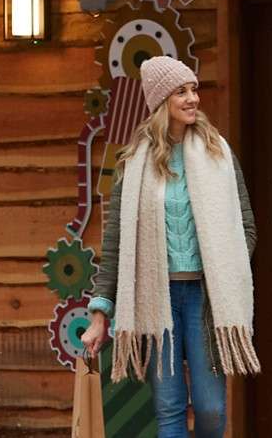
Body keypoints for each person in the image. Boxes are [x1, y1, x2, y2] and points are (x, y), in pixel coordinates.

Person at [80, 56, 259, 438]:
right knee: (169, 408)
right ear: (162, 102)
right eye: (182, 91)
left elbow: (246, 224)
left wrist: (230, 269)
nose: (193, 98)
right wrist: (99, 315)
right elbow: (116, 246)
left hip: (204, 297)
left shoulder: (219, 154)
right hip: (156, 298)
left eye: (194, 89)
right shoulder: (133, 164)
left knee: (211, 409)